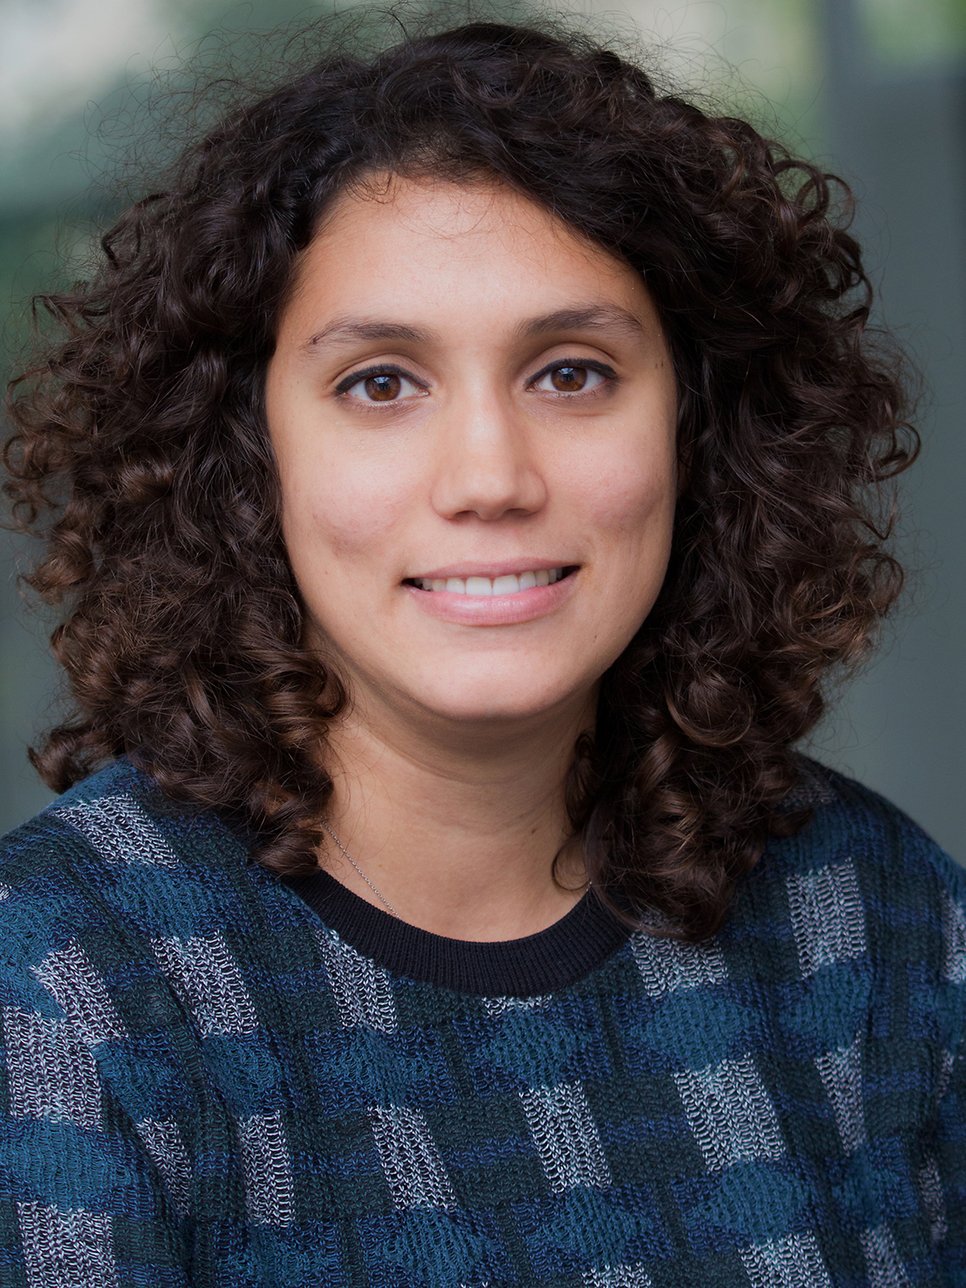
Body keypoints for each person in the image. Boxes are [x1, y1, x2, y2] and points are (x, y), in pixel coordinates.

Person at [1, 13, 963, 1286]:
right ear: (246, 457)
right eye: (382, 383)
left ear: (697, 426)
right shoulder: (63, 989)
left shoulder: (881, 916)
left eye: (570, 373)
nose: (491, 477)